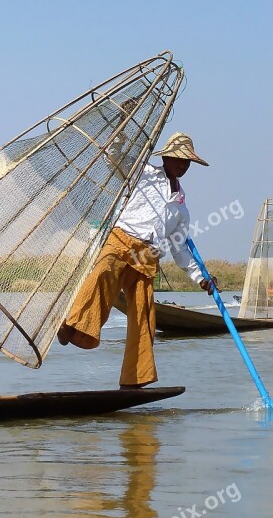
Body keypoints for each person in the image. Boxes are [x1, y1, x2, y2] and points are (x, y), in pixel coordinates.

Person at [56, 132, 218, 388]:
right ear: (165, 157)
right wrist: (120, 134)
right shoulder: (142, 171)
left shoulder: (181, 207)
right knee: (102, 273)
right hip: (121, 239)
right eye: (177, 159)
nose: (182, 165)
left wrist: (202, 279)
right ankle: (72, 325)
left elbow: (180, 249)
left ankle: (134, 380)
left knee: (144, 316)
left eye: (186, 162)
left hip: (148, 255)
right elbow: (114, 157)